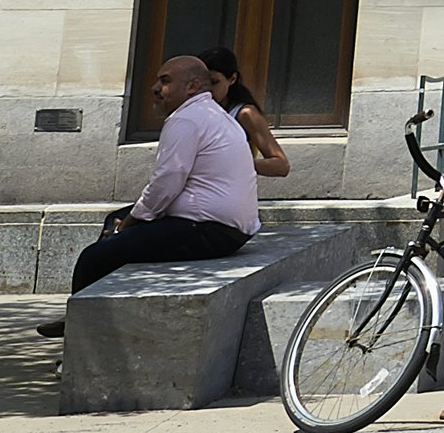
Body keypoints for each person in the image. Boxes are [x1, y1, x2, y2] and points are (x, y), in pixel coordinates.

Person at [52, 53, 262, 317]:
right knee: (113, 220)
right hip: (226, 229)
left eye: (165, 81)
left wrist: (129, 224)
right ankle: (94, 305)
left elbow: (166, 184)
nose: (155, 88)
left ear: (192, 86)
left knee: (94, 257)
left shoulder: (186, 119)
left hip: (207, 230)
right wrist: (128, 221)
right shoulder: (212, 115)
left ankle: (79, 326)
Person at [201, 44, 292, 182]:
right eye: (201, 83)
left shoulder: (245, 114)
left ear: (232, 79)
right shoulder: (197, 109)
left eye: (214, 82)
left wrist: (237, 164)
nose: (207, 89)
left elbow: (281, 165)